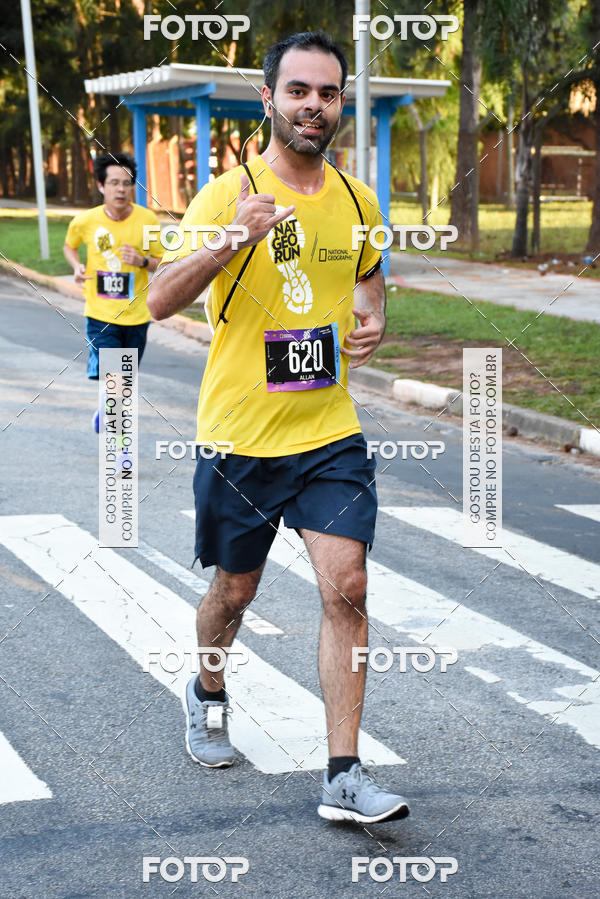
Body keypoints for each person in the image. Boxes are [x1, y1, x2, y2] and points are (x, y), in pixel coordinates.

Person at [148, 31, 410, 825]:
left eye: (327, 93)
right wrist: (235, 236)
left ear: (340, 103)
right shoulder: (225, 195)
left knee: (349, 585)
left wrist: (372, 320)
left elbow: (369, 283)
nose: (314, 106)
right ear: (269, 99)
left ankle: (343, 774)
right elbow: (159, 298)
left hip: (328, 431)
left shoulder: (358, 202)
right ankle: (208, 686)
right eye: (298, 91)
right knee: (235, 590)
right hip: (242, 436)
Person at [63, 153, 163, 431]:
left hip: (137, 315)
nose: (121, 189)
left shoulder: (147, 220)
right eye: (114, 183)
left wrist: (142, 261)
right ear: (101, 186)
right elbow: (70, 246)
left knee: (124, 379)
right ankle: (118, 438)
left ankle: (107, 410)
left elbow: (163, 262)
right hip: (101, 314)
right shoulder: (85, 221)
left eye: (127, 183)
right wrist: (76, 266)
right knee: (114, 374)